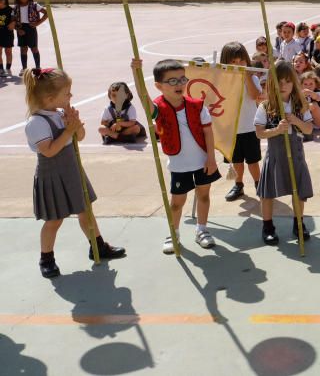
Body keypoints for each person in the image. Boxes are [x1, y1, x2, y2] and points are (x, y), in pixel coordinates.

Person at [24, 68, 126, 277]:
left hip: (71, 169)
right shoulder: (37, 123)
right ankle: (46, 258)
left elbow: (79, 137)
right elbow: (50, 151)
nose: (70, 97)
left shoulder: (61, 113)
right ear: (51, 97)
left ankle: (97, 246)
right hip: (51, 173)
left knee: (85, 210)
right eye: (67, 93)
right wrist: (68, 131)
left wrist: (76, 125)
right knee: (54, 220)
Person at [143, 58, 220, 254]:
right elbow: (143, 97)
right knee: (177, 202)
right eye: (172, 81)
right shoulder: (158, 108)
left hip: (202, 160)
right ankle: (173, 232)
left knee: (203, 195)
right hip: (179, 164)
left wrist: (211, 158)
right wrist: (136, 72)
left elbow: (208, 132)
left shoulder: (197, 105)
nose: (179, 84)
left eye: (182, 79)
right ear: (159, 86)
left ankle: (202, 230)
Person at [255, 60, 314, 245]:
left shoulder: (300, 104)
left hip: (296, 153)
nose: (283, 85)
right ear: (272, 83)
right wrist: (276, 131)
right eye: (279, 81)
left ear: (293, 82)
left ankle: (298, 224)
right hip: (275, 153)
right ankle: (268, 226)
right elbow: (259, 132)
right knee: (268, 192)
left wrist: (296, 120)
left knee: (298, 190)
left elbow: (309, 129)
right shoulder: (266, 106)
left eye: (287, 81)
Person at [220, 42, 264, 202]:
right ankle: (238, 185)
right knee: (236, 160)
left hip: (249, 126)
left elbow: (254, 96)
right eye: (234, 62)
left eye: (241, 61)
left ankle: (259, 184)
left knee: (253, 160)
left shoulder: (251, 77)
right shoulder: (222, 79)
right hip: (231, 128)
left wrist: (246, 76)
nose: (238, 65)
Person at [13, 0, 46, 73]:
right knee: (23, 49)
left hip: (31, 28)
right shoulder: (16, 7)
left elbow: (46, 13)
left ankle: (38, 67)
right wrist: (18, 29)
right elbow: (12, 21)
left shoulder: (34, 5)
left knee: (34, 48)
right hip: (20, 29)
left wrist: (38, 23)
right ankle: (24, 68)